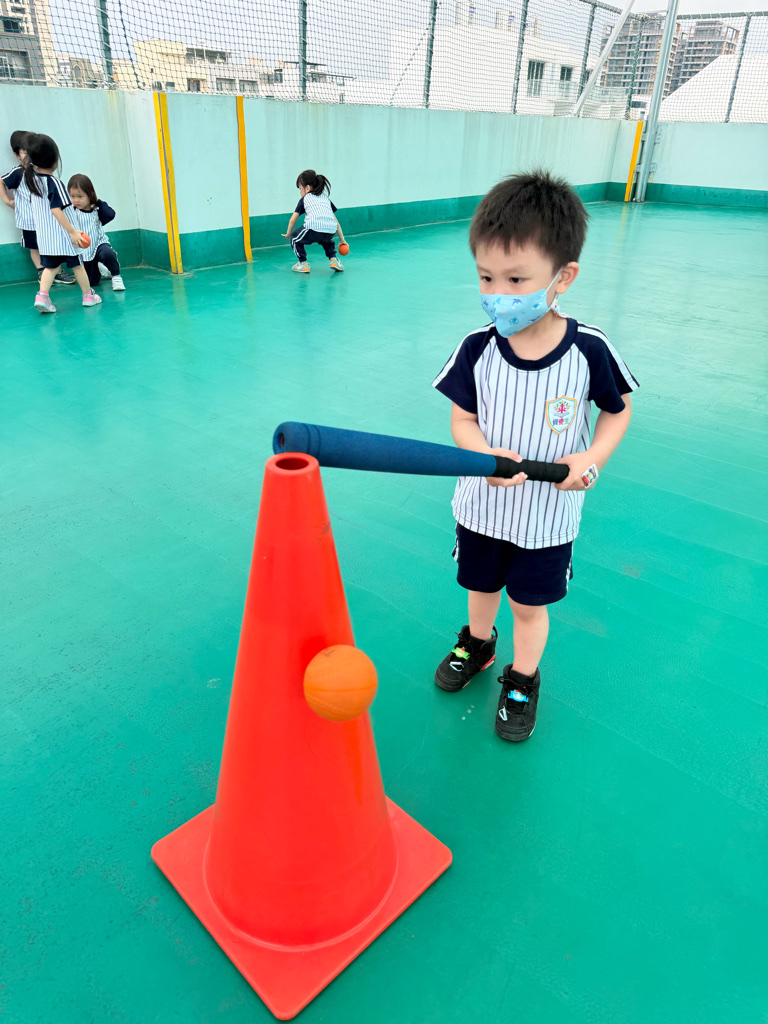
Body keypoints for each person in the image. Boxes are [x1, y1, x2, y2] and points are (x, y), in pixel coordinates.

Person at [432, 170, 638, 742]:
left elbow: (617, 411)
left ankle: (522, 678)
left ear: (562, 276)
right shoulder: (476, 348)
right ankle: (477, 644)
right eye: (486, 277)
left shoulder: (588, 350)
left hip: (547, 519)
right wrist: (482, 455)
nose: (498, 293)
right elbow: (463, 419)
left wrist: (591, 458)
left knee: (528, 605)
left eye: (516, 279)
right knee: (479, 587)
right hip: (482, 508)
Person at [23, 133, 101, 313]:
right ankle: (88, 295)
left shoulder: (33, 182)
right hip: (64, 237)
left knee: (50, 267)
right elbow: (57, 210)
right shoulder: (54, 183)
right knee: (78, 265)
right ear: (55, 161)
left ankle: (42, 296)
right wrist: (72, 232)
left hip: (46, 239)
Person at [0, 130, 75, 286]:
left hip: (46, 220)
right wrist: (7, 201)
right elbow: (1, 181)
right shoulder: (18, 173)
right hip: (29, 222)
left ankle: (56, 272)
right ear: (16, 154)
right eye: (24, 152)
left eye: (30, 151)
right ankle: (42, 271)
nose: (28, 155)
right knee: (34, 248)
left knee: (52, 245)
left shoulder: (41, 171)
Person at [67, 174, 125, 291]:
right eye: (72, 196)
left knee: (108, 253)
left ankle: (116, 276)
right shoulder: (71, 211)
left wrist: (98, 202)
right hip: (84, 250)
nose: (76, 200)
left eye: (80, 196)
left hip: (99, 244)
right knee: (92, 281)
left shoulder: (97, 209)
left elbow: (110, 215)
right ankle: (100, 266)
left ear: (90, 195)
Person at [282, 169, 346, 273]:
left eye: (300, 189)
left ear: (307, 188)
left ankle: (302, 263)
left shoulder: (305, 199)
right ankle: (334, 260)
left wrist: (289, 233)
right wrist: (342, 240)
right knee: (327, 241)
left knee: (295, 238)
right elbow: (336, 222)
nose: (300, 192)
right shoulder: (326, 199)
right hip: (330, 229)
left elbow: (293, 219)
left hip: (313, 228)